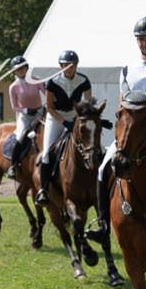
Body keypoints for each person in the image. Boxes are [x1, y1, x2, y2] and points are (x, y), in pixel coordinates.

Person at [89, 16, 146, 239]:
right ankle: (103, 224)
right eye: (141, 39)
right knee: (103, 167)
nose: (145, 43)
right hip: (134, 132)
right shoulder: (127, 70)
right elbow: (123, 101)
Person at [35, 50, 92, 205]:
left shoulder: (84, 80)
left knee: (89, 146)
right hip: (55, 117)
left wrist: (83, 120)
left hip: (75, 116)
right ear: (61, 66)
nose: (69, 68)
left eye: (72, 65)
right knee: (46, 153)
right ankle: (43, 190)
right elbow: (49, 107)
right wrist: (64, 122)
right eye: (66, 65)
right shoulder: (53, 82)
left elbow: (88, 105)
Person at [6, 56, 46, 177]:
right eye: (18, 69)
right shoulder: (13, 87)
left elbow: (46, 93)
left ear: (27, 68)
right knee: (20, 137)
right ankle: (13, 166)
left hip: (40, 112)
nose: (21, 70)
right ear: (14, 71)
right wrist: (26, 110)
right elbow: (14, 107)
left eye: (23, 68)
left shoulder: (37, 80)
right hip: (25, 116)